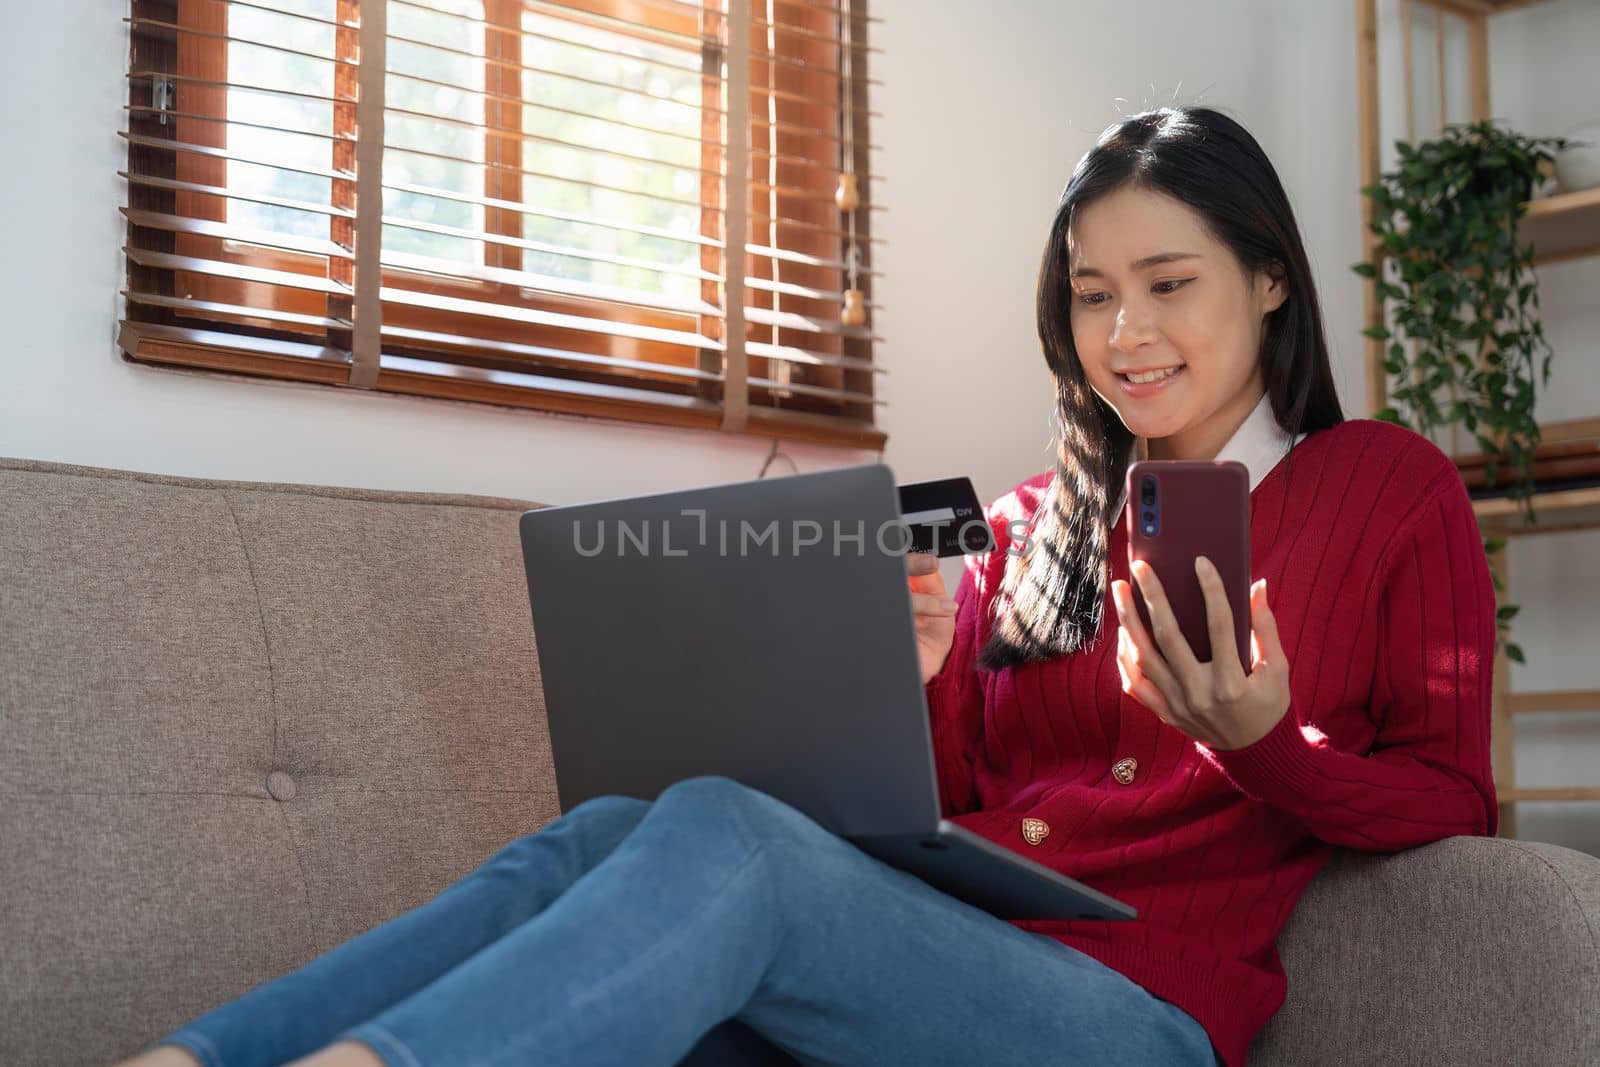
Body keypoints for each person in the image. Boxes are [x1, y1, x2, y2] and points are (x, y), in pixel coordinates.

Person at [120, 105, 1496, 1067]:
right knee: (613, 826)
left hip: (1129, 1021)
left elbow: (1451, 797)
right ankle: (194, 1059)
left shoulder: (1384, 487)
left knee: (727, 842)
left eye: (1166, 283)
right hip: (920, 969)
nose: (1122, 333)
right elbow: (949, 817)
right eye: (1089, 295)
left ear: (1267, 281)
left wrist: (1266, 748)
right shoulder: (1029, 525)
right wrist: (899, 691)